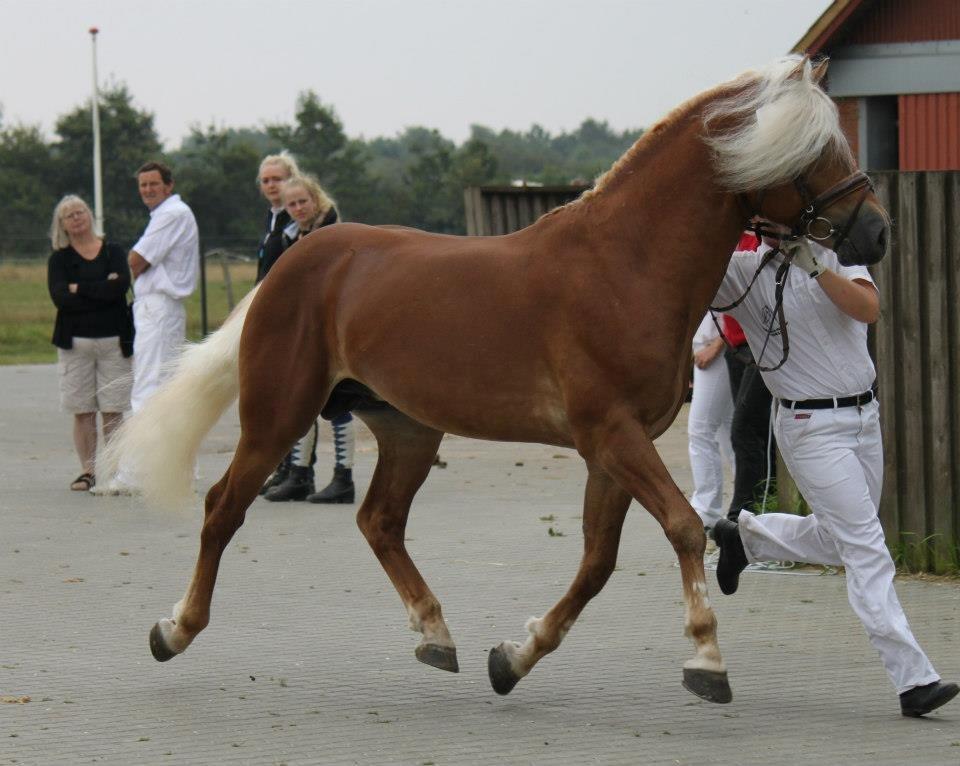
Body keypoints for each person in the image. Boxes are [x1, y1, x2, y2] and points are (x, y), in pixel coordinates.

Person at [710, 229, 958, 718]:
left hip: (864, 417)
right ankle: (914, 680)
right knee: (866, 546)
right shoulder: (741, 270)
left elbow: (868, 309)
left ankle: (746, 538)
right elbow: (683, 271)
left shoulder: (827, 250)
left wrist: (817, 268)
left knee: (838, 540)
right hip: (808, 426)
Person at [95, 161, 199, 494]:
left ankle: (133, 475)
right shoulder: (168, 214)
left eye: (154, 184)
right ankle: (173, 471)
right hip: (160, 308)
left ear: (168, 185)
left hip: (159, 306)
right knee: (165, 388)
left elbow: (136, 261)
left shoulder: (172, 214)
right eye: (143, 185)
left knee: (148, 388)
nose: (148, 190)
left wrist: (120, 272)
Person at [260, 172, 356, 504]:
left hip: (330, 326)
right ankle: (299, 472)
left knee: (338, 403)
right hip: (310, 326)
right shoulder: (295, 233)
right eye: (292, 204)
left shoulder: (329, 231)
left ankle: (343, 475)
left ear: (315, 200)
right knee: (306, 403)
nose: (298, 208)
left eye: (303, 201)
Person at [47, 195, 134, 492]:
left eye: (80, 211)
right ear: (62, 225)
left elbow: (120, 286)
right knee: (82, 409)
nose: (76, 217)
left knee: (113, 408)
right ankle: (88, 470)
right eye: (69, 215)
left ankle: (115, 470)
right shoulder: (59, 259)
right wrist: (101, 288)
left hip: (114, 342)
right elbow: (60, 297)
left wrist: (79, 288)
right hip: (75, 344)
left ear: (90, 215)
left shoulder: (113, 251)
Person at [721, 232, 776, 520]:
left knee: (743, 427)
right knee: (758, 429)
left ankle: (741, 514)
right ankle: (765, 506)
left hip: (759, 345)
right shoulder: (732, 237)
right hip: (736, 345)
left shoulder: (759, 240)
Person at [688, 312, 734, 530]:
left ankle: (706, 509)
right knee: (728, 431)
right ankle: (747, 502)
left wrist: (717, 345)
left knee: (701, 429)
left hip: (716, 348)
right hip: (705, 346)